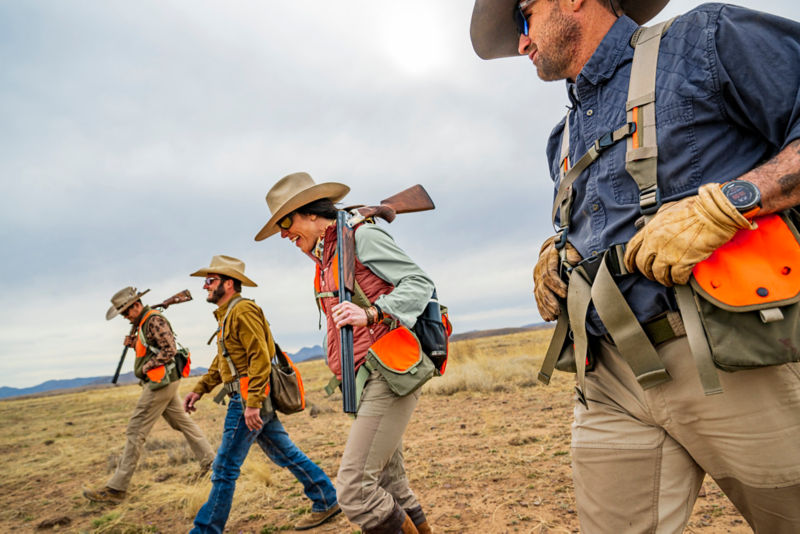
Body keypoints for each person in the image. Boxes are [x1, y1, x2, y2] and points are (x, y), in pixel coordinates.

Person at [470, 0, 800, 532]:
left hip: (736, 356)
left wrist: (736, 199)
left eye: (523, 18)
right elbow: (602, 225)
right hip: (608, 377)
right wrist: (559, 251)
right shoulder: (563, 137)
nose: (521, 43)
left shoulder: (706, 38)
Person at [255, 172, 435, 534]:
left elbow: (419, 283)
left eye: (286, 223)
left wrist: (371, 313)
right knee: (390, 484)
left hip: (389, 372)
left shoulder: (360, 236)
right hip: (365, 377)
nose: (285, 235)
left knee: (354, 492)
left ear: (310, 213)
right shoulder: (328, 257)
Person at [183, 255, 339, 533]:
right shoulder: (228, 314)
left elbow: (260, 359)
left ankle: (206, 529)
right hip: (251, 399)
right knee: (285, 454)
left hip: (248, 400)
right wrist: (200, 389)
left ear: (228, 283)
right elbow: (225, 363)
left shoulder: (242, 311)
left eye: (210, 281)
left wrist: (252, 404)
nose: (205, 287)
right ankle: (326, 498)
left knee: (225, 468)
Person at [84, 286, 216, 504]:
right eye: (123, 314)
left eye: (127, 312)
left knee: (135, 430)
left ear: (137, 305)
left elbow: (169, 350)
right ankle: (211, 463)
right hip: (164, 381)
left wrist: (147, 368)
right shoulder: (144, 322)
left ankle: (116, 489)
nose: (126, 317)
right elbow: (153, 347)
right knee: (182, 423)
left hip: (159, 383)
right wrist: (135, 344)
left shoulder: (153, 320)